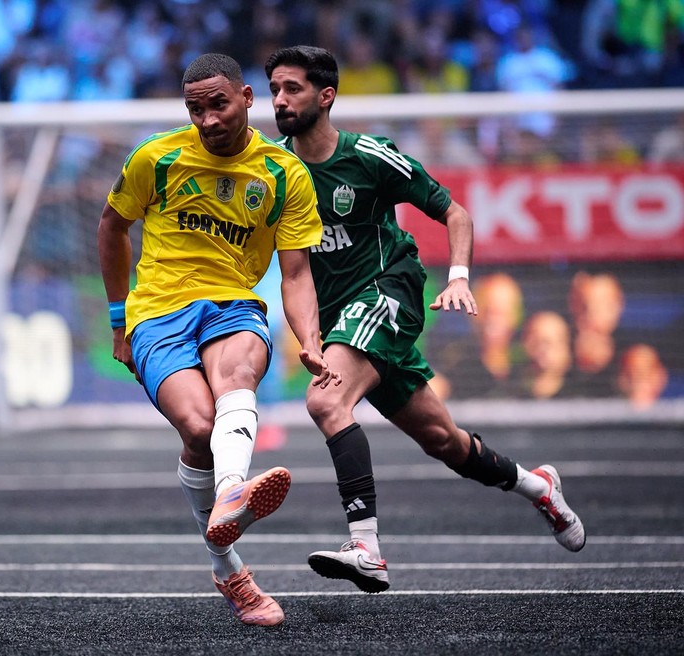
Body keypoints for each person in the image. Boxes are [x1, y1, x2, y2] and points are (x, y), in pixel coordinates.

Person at [263, 45, 586, 593]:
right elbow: (292, 269)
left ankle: (366, 547)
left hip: (390, 293)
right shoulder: (272, 168)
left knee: (324, 400)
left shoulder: (369, 156)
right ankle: (539, 488)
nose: (279, 99)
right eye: (274, 89)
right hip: (346, 320)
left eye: (291, 88)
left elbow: (454, 212)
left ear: (326, 95)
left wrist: (458, 276)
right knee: (444, 442)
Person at [97, 53, 337, 626]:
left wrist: (310, 337)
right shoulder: (156, 158)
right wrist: (117, 320)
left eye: (218, 104)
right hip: (158, 312)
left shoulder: (283, 173)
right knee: (200, 429)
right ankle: (227, 566)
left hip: (232, 304)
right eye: (195, 108)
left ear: (249, 98)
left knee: (237, 376)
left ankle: (232, 490)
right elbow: (112, 227)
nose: (207, 119)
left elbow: (297, 273)